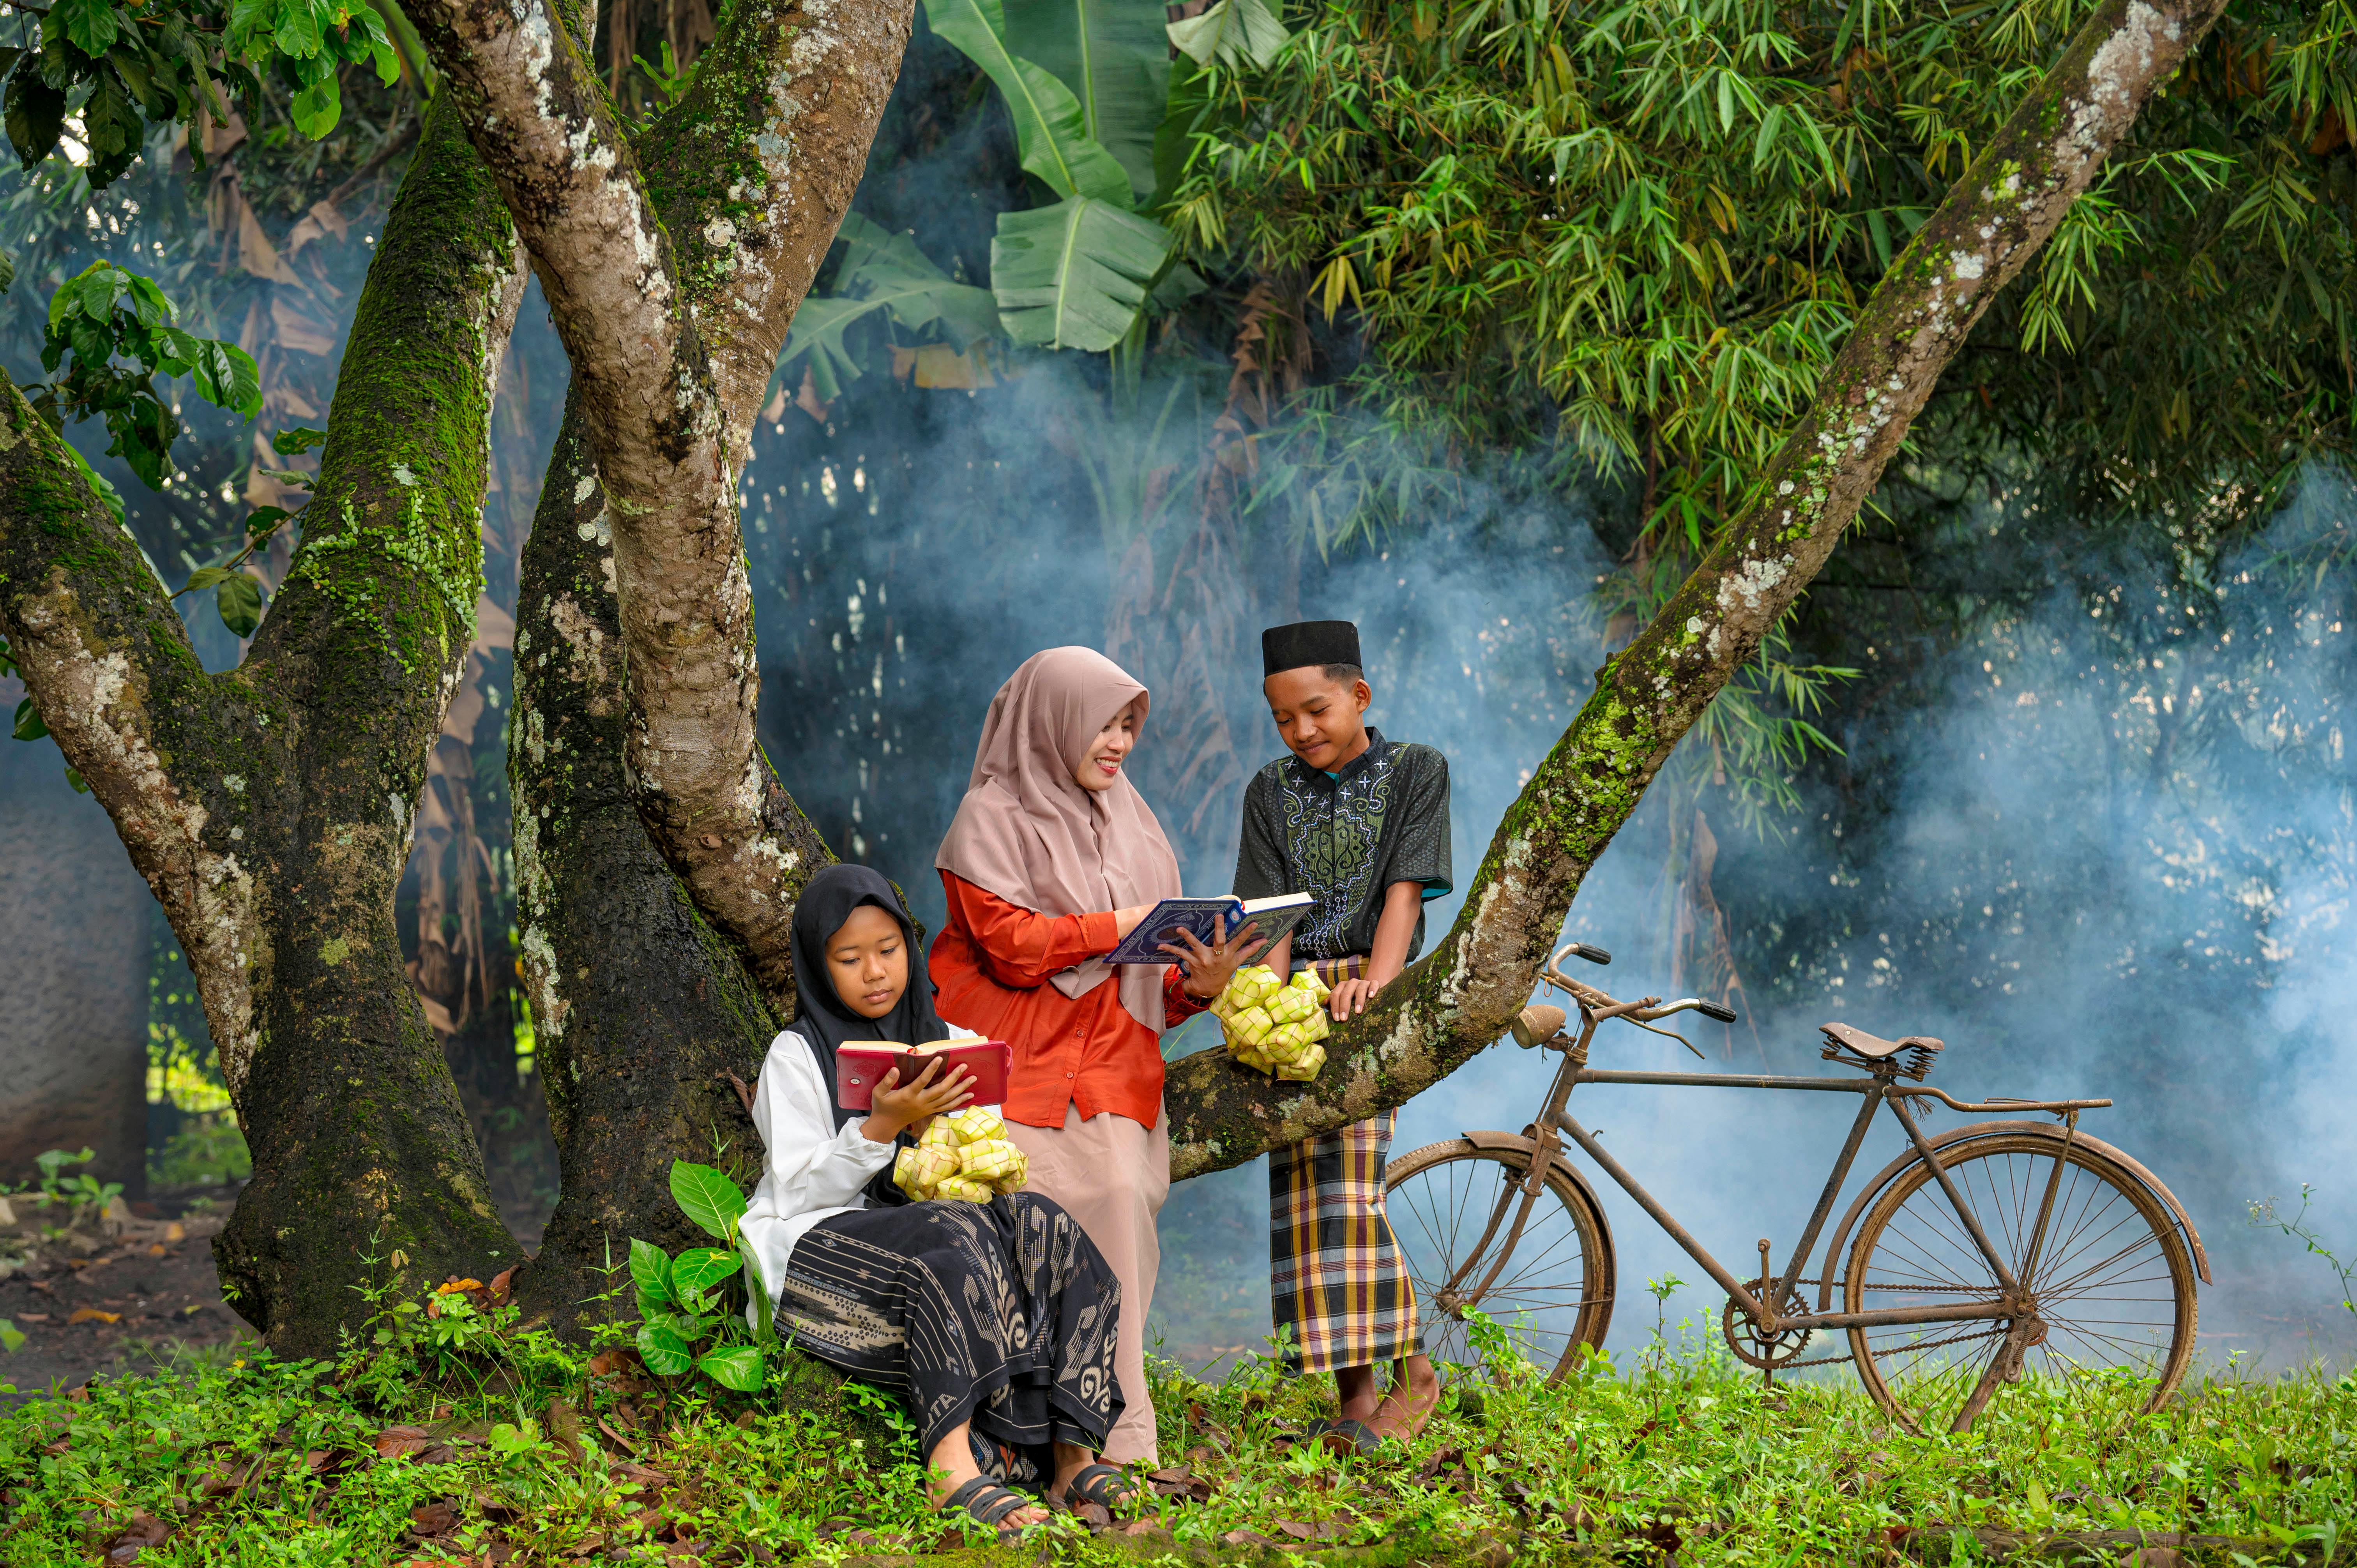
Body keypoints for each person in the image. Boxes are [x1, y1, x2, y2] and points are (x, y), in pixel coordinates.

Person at [930, 646, 1261, 1481]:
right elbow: (1011, 948)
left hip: (1111, 1055)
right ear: (1052, 720)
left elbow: (1156, 984)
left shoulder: (1135, 822)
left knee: (1116, 1200)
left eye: (1128, 726)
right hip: (1016, 1054)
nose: (1119, 743)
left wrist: (1200, 983)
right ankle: (1013, 1438)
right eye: (1104, 724)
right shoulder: (988, 816)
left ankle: (1105, 1443)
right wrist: (1120, 925)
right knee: (1014, 1216)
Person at [737, 863, 1129, 1539]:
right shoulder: (795, 1056)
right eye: (849, 959)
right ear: (817, 966)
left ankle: (1073, 1455)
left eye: (888, 950)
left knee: (1049, 1224)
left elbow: (985, 1170)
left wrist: (940, 1138)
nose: (875, 972)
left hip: (943, 1227)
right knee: (947, 1241)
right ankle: (950, 1464)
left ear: (909, 948)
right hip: (820, 1250)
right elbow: (798, 1189)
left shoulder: (958, 1045)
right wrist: (881, 1128)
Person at [1233, 619, 1452, 1450]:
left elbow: (1405, 892)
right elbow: (1273, 918)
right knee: (1299, 1190)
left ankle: (1415, 1374)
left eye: (1317, 710)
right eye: (1283, 718)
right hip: (1295, 995)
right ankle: (1353, 1394)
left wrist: (1379, 985)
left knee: (1349, 1186)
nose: (1300, 730)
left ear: (1359, 695)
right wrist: (1267, 1006)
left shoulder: (1417, 770)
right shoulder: (1268, 790)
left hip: (1373, 986)